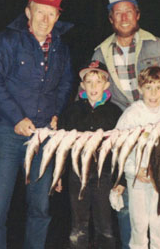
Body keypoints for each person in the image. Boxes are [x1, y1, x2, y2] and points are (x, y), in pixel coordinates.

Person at [0, 0, 73, 249]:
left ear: (57, 16)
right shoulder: (8, 41)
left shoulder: (60, 47)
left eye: (51, 13)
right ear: (28, 12)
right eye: (40, 11)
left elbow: (65, 84)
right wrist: (16, 118)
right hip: (8, 133)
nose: (45, 19)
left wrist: (56, 112)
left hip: (43, 136)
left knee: (40, 206)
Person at [92, 0, 160, 249]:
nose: (123, 18)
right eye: (117, 13)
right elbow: (89, 96)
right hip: (126, 146)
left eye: (128, 11)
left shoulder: (159, 45)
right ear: (111, 18)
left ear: (137, 14)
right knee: (132, 213)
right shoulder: (100, 53)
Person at [58, 60, 123, 249]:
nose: (94, 86)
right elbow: (63, 146)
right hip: (77, 174)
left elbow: (120, 148)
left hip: (105, 175)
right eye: (89, 82)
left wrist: (120, 180)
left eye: (98, 81)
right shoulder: (72, 111)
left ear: (106, 85)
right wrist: (60, 174)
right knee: (79, 224)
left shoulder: (115, 112)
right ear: (82, 85)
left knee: (105, 224)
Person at [116, 66, 160, 249]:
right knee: (139, 222)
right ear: (140, 88)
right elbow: (119, 147)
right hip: (137, 178)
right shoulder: (131, 114)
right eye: (148, 87)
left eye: (158, 87)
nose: (153, 93)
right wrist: (134, 170)